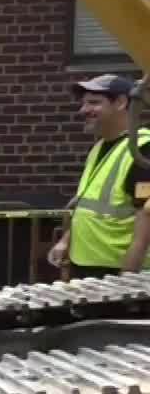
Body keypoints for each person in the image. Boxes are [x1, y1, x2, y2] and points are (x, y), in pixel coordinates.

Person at [49, 74, 150, 279]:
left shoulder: (143, 150)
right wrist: (66, 241)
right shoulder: (99, 148)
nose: (83, 110)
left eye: (94, 103)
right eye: (83, 103)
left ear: (121, 103)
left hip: (118, 274)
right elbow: (86, 204)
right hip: (87, 268)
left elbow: (146, 220)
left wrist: (127, 282)